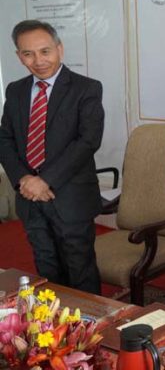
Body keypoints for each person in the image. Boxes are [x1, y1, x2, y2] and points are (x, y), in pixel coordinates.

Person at [0, 20, 104, 294]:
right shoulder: (15, 90)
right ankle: (55, 331)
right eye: (28, 53)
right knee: (46, 269)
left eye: (45, 51)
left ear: (59, 49)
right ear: (18, 56)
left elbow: (88, 141)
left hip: (71, 198)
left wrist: (45, 180)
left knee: (79, 269)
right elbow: (5, 139)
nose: (38, 60)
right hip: (29, 198)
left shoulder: (87, 88)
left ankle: (89, 331)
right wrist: (24, 179)